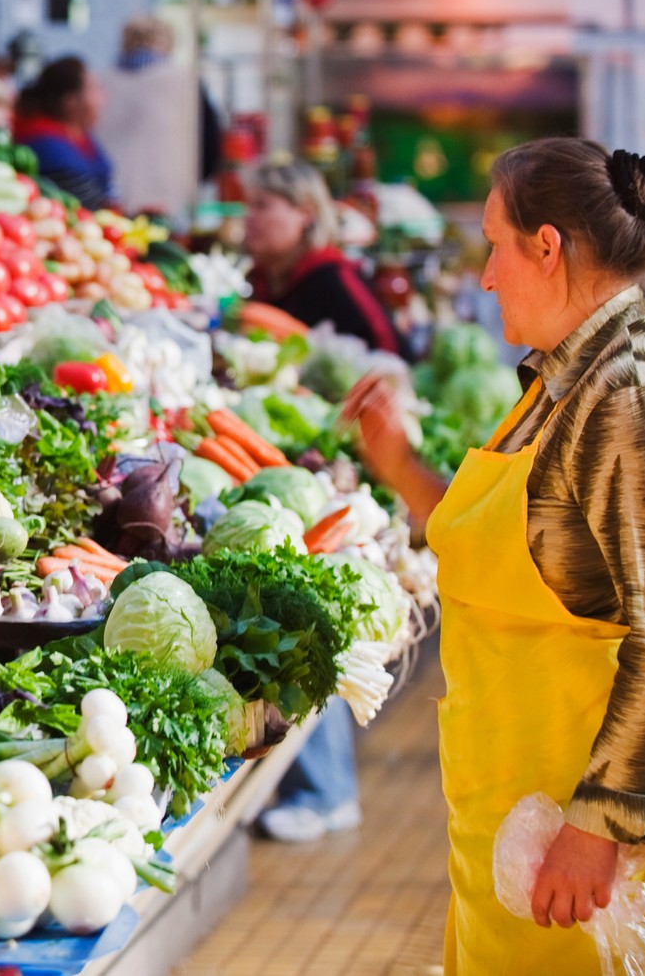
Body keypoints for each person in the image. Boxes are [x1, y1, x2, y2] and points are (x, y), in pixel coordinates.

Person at [344, 140, 645, 973]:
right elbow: (533, 543)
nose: (486, 276)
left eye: (495, 244)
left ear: (547, 247)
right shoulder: (566, 376)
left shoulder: (633, 394)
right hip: (528, 803)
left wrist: (602, 824)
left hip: (594, 828)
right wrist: (403, 467)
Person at [243, 159, 400, 845]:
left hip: (348, 456)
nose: (251, 223)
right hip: (295, 445)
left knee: (302, 601)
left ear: (303, 214)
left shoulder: (331, 278)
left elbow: (388, 356)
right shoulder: (266, 282)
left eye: (264, 210)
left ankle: (328, 788)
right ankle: (318, 782)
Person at [243, 160, 400, 355]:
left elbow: (388, 348)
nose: (249, 217)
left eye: (262, 206)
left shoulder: (333, 276)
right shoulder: (256, 279)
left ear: (305, 213)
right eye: (249, 206)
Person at [98, 16, 221, 221]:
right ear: (167, 43)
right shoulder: (185, 80)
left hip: (112, 199)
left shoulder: (99, 81)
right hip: (169, 198)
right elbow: (211, 140)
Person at [13, 57, 113, 209]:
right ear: (70, 101)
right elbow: (87, 206)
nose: (102, 99)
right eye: (94, 89)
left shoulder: (80, 135)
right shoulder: (46, 144)